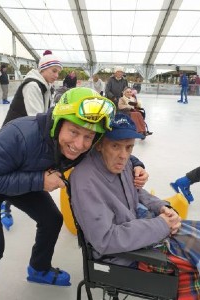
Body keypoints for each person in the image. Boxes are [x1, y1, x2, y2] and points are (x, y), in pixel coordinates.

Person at [0, 87, 149, 300]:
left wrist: (137, 165)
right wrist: (39, 180)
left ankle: (38, 269)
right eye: (74, 132)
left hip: (23, 176)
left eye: (89, 136)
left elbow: (111, 149)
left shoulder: (87, 145)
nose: (79, 145)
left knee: (52, 219)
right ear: (58, 123)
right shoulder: (19, 133)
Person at [70, 114, 200, 299]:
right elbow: (105, 240)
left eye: (129, 147)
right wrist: (162, 225)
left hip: (139, 230)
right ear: (99, 144)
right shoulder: (85, 181)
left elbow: (136, 191)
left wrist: (162, 208)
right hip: (121, 256)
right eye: (115, 146)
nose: (123, 155)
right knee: (192, 267)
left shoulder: (123, 163)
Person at [0, 52, 63, 229]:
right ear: (43, 69)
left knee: (19, 171)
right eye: (54, 71)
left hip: (23, 135)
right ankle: (3, 201)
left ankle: (6, 200)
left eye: (58, 72)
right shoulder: (33, 85)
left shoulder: (44, 86)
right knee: (12, 171)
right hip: (15, 137)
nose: (57, 75)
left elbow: (47, 113)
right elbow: (36, 116)